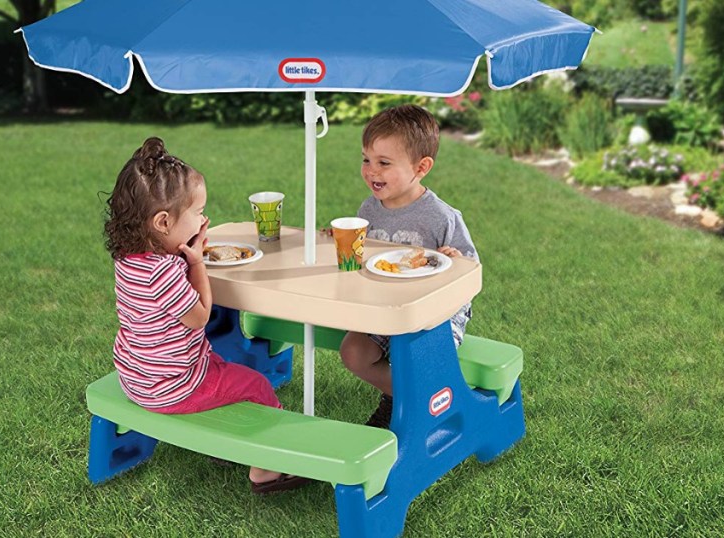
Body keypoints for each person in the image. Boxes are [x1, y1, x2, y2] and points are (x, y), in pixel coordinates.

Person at [104, 137, 309, 494]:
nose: (203, 221)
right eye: (198, 213)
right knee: (256, 384)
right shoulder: (164, 272)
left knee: (225, 364)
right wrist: (196, 261)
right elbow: (200, 317)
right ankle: (267, 469)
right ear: (163, 222)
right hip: (171, 386)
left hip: (136, 375)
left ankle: (227, 441)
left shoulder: (128, 259)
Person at [340, 105, 478, 429]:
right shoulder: (369, 209)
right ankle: (409, 398)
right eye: (366, 160)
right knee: (353, 351)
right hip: (387, 307)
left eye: (384, 163)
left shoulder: (441, 216)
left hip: (437, 314)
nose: (372, 171)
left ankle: (409, 406)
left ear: (421, 167)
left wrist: (456, 259)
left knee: (412, 354)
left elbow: (471, 269)